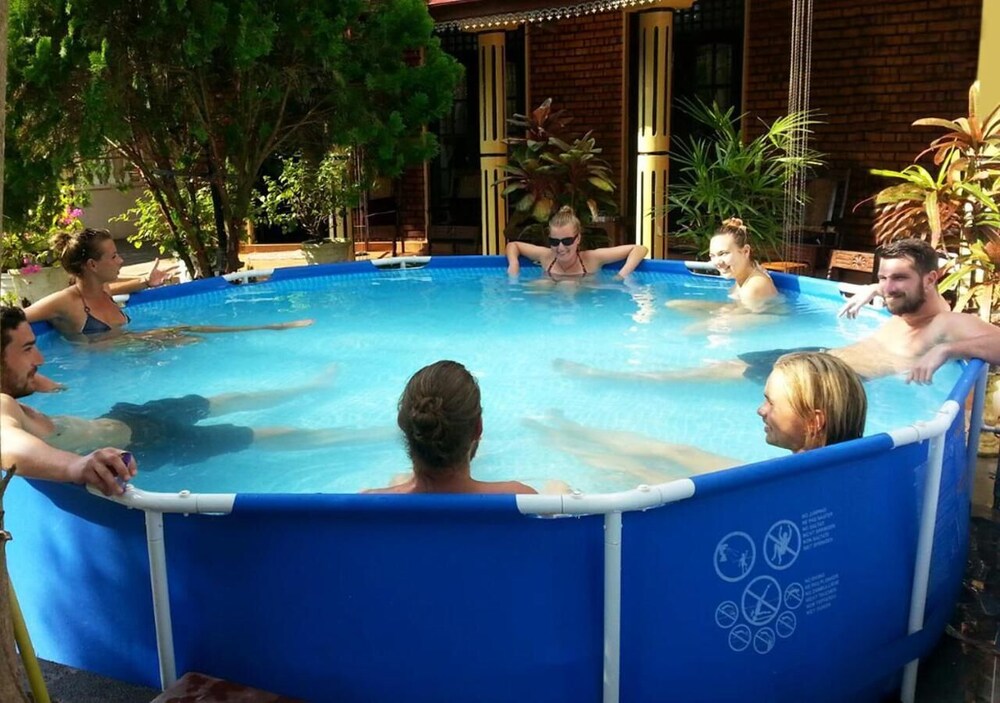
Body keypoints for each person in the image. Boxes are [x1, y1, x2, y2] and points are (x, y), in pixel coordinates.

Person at [0, 305, 388, 496]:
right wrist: (77, 466)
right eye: (28, 349)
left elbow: (32, 386)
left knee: (228, 398)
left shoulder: (16, 389)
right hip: (151, 442)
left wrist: (39, 379)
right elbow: (9, 443)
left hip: (128, 417)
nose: (41, 358)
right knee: (260, 434)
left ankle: (311, 388)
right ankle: (373, 435)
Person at [557, 238, 1000, 385]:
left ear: (930, 279)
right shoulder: (905, 306)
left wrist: (947, 351)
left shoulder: (946, 325)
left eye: (898, 279)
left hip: (827, 381)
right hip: (820, 357)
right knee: (725, 367)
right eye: (883, 278)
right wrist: (873, 289)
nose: (888, 288)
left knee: (715, 375)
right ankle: (624, 377)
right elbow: (894, 294)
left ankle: (620, 379)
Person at [529, 352, 867, 481]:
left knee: (640, 472)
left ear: (815, 422)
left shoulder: (791, 485)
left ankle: (563, 441)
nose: (760, 409)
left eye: (771, 403)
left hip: (762, 487)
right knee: (678, 452)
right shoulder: (850, 465)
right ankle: (573, 429)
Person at [25, 228, 313, 342]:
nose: (121, 260)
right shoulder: (65, 303)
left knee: (190, 332)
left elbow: (121, 289)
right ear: (92, 265)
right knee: (186, 335)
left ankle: (267, 328)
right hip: (103, 372)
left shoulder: (102, 290)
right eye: (113, 256)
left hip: (133, 354)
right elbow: (15, 318)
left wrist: (146, 282)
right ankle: (268, 329)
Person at [364, 360, 536, 494]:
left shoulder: (366, 508)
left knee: (398, 480)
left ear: (404, 427)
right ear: (478, 428)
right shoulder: (523, 501)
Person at [668, 217, 779, 314]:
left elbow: (740, 321)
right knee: (675, 304)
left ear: (745, 251)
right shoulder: (745, 275)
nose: (717, 262)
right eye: (713, 256)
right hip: (746, 312)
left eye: (723, 254)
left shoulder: (754, 287)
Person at [505, 206, 648, 281]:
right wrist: (514, 264)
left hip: (579, 301)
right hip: (550, 302)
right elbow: (513, 245)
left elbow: (639, 249)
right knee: (541, 285)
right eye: (554, 242)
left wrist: (621, 276)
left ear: (578, 239)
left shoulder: (592, 258)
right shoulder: (546, 256)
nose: (560, 248)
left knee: (568, 286)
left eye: (567, 241)